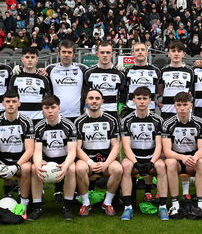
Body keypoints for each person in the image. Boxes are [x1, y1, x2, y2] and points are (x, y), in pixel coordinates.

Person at [119, 87, 168, 221]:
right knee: (126, 166)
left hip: (152, 156)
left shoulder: (158, 120)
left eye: (145, 99)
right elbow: (126, 146)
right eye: (139, 99)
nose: (142, 102)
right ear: (133, 100)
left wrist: (152, 161)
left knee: (161, 166)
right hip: (134, 157)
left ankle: (163, 206)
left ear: (150, 101)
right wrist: (135, 162)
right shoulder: (126, 120)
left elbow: (159, 145)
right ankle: (128, 207)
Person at [74, 89, 123, 217]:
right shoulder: (79, 121)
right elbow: (77, 148)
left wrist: (106, 164)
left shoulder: (111, 120)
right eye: (91, 98)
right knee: (79, 168)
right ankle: (85, 203)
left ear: (102, 101)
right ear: (86, 101)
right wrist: (90, 162)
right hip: (87, 161)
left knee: (118, 169)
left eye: (97, 98)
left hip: (106, 161)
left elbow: (116, 145)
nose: (94, 101)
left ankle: (107, 203)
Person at [162, 92, 202, 219]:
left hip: (192, 161)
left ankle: (201, 205)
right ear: (174, 106)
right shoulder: (168, 123)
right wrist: (182, 157)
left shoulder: (199, 122)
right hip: (177, 159)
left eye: (185, 105)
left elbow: (201, 149)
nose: (182, 108)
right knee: (169, 162)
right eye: (179, 105)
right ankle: (175, 204)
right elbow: (167, 151)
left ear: (191, 105)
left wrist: (195, 157)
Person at [32, 95, 78, 221]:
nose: (50, 111)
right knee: (33, 168)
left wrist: (65, 166)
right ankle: (37, 208)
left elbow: (72, 151)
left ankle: (67, 207)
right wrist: (37, 164)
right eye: (46, 108)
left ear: (59, 108)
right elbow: (36, 151)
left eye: (53, 107)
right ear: (42, 109)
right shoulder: (38, 127)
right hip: (46, 160)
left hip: (65, 159)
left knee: (72, 169)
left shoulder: (69, 125)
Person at [0, 91, 34, 209]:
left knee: (27, 169)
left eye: (14, 101)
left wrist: (16, 166)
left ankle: (23, 204)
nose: (11, 104)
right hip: (3, 160)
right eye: (8, 101)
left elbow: (30, 150)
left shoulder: (26, 121)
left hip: (21, 160)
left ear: (19, 103)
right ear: (3, 103)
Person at [82, 41, 127, 120]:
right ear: (97, 54)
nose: (105, 55)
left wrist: (121, 105)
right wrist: (85, 106)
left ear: (112, 54)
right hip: (93, 112)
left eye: (108, 52)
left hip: (113, 113)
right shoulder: (88, 73)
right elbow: (84, 92)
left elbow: (123, 92)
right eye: (102, 52)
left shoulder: (120, 74)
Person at [45, 39, 87, 121]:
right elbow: (34, 73)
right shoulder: (50, 69)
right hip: (56, 115)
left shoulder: (82, 68)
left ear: (74, 55)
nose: (66, 55)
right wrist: (20, 68)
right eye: (64, 52)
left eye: (69, 52)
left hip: (78, 115)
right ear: (59, 54)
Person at [10, 47, 51, 125]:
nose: (30, 60)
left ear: (37, 59)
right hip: (20, 119)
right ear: (22, 59)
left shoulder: (43, 78)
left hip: (38, 119)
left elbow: (48, 99)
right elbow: (11, 98)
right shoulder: (15, 77)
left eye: (32, 57)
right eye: (27, 57)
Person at [123, 41, 161, 117]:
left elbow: (159, 90)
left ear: (147, 53)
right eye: (137, 50)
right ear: (132, 53)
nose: (140, 52)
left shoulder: (156, 71)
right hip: (131, 108)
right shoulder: (126, 71)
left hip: (150, 109)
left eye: (142, 50)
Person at [158, 41, 193, 121]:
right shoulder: (163, 71)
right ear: (169, 54)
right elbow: (160, 88)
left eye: (179, 51)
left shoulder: (190, 71)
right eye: (173, 51)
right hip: (167, 110)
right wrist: (160, 98)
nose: (176, 54)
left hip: (184, 111)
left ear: (183, 54)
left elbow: (191, 90)